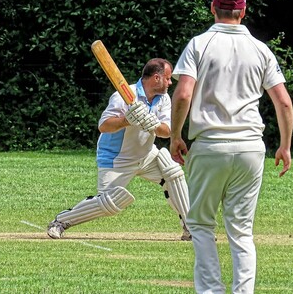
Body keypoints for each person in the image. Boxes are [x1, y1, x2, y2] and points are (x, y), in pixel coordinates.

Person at [169, 0, 293, 293]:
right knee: (241, 231)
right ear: (244, 11)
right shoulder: (260, 49)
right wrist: (285, 145)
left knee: (200, 225)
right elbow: (284, 103)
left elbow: (183, 93)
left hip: (210, 144)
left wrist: (174, 136)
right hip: (251, 147)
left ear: (213, 8)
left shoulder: (200, 43)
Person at [47, 58, 191, 241]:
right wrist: (126, 121)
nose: (170, 83)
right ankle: (60, 221)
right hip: (117, 159)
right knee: (109, 202)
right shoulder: (123, 95)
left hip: (146, 155)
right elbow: (104, 126)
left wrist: (152, 123)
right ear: (157, 78)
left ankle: (191, 228)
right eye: (168, 78)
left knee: (173, 172)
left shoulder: (163, 99)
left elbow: (166, 131)